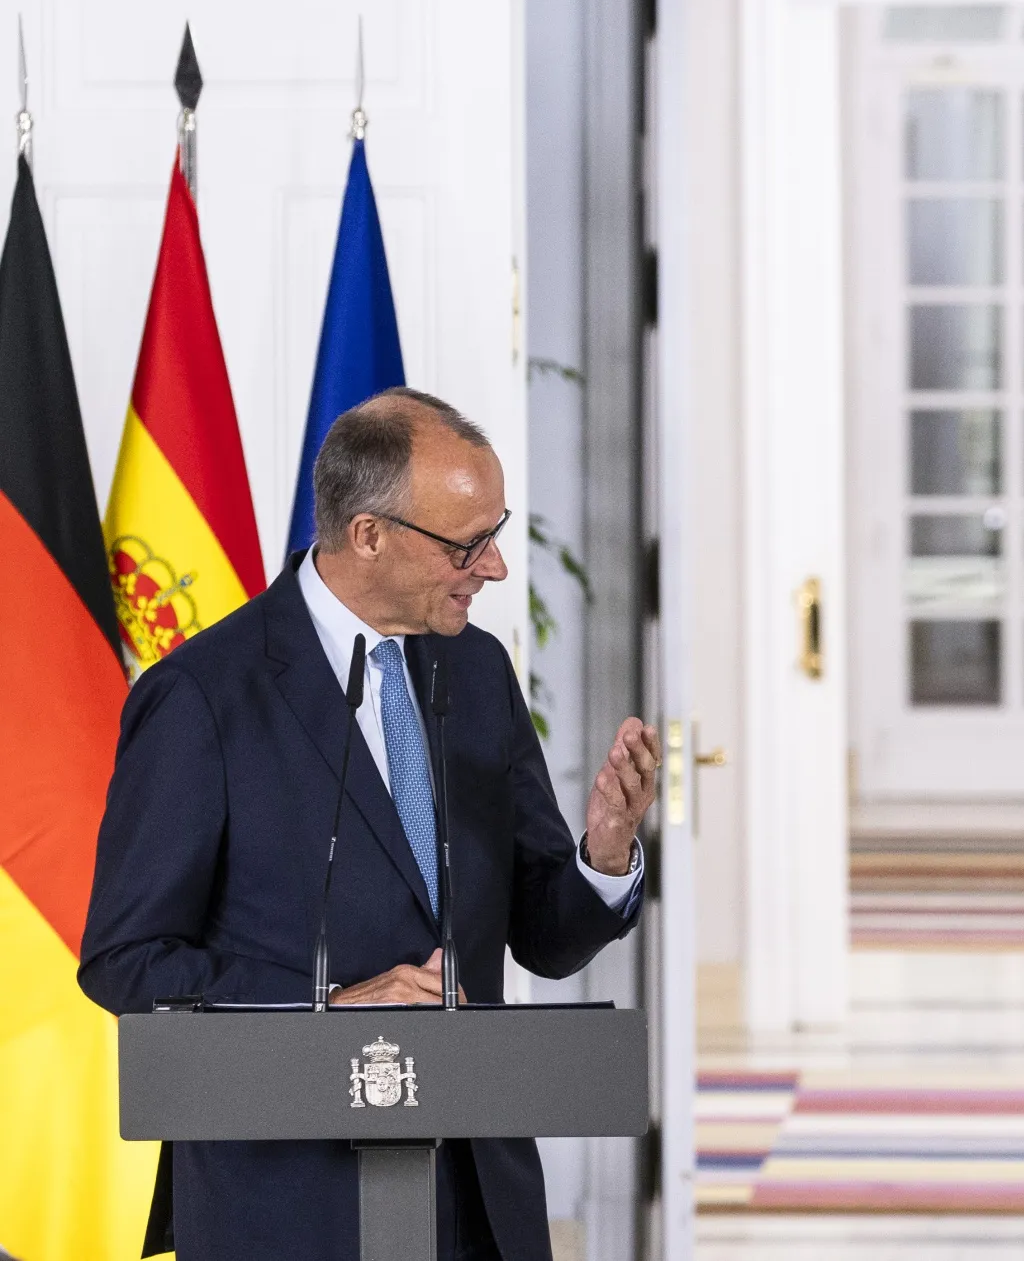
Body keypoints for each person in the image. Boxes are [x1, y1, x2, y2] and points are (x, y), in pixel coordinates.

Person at [79, 388, 660, 1260]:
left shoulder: (478, 669)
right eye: (469, 543)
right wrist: (328, 1006)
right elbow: (125, 959)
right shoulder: (202, 696)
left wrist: (604, 856)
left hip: (477, 1188)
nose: (496, 567)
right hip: (286, 1202)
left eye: (495, 531)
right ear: (369, 535)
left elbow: (543, 934)